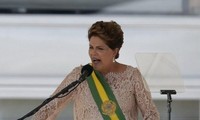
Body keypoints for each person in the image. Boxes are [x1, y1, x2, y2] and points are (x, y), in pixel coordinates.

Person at [32, 20, 160, 120]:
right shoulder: (80, 75)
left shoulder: (132, 76)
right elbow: (48, 107)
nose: (93, 53)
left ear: (115, 51)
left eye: (100, 48)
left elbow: (151, 114)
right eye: (91, 47)